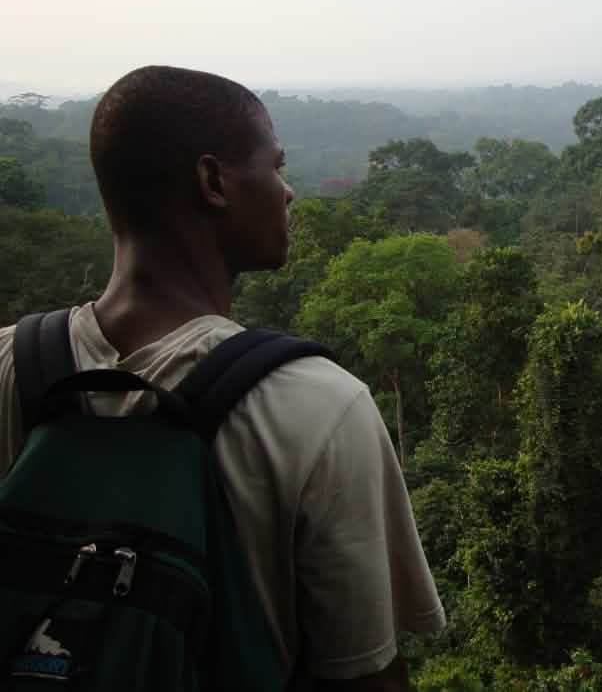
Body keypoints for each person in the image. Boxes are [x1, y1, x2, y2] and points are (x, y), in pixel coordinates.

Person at [0, 65, 444, 690]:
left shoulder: (11, 367)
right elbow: (364, 673)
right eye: (275, 166)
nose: (287, 191)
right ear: (213, 181)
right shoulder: (319, 406)